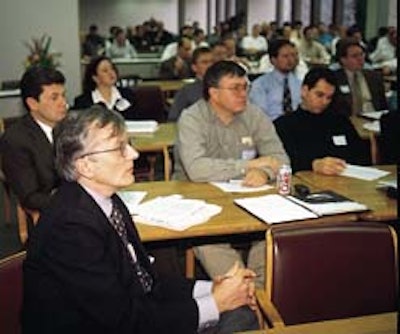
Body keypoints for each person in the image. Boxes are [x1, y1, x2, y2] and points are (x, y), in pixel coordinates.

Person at [22, 105, 260, 333]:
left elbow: (145, 280)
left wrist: (212, 289)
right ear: (85, 166)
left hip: (127, 316)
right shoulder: (70, 227)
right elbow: (123, 322)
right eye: (119, 148)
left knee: (238, 310)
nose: (134, 154)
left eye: (129, 144)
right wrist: (216, 303)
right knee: (238, 316)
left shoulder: (107, 200)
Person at [173, 61, 289, 287]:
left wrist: (264, 173)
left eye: (245, 87)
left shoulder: (254, 115)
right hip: (199, 199)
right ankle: (242, 293)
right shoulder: (191, 118)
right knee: (207, 240)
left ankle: (258, 295)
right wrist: (250, 165)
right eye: (235, 88)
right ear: (214, 93)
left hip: (246, 195)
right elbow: (197, 170)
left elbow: (280, 159)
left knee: (273, 232)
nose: (243, 93)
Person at [274, 67, 371, 175]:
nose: (325, 102)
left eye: (329, 97)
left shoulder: (340, 121)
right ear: (304, 91)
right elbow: (282, 161)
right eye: (319, 95)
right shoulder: (284, 125)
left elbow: (361, 155)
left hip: (347, 180)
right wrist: (312, 165)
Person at [0, 66, 67, 211]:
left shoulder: (68, 127)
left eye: (63, 95)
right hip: (51, 214)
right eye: (54, 97)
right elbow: (31, 197)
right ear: (33, 103)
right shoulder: (15, 139)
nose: (63, 103)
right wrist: (74, 203)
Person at [332, 38, 388, 117]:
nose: (360, 59)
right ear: (343, 60)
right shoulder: (334, 78)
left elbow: (383, 106)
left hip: (374, 119)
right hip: (348, 121)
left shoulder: (374, 76)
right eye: (354, 56)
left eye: (361, 54)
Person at [249, 39, 302, 121]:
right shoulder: (260, 85)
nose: (291, 60)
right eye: (285, 56)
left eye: (293, 55)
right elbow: (260, 116)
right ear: (273, 60)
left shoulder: (299, 84)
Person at [72, 55, 137, 120]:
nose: (111, 73)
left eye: (112, 68)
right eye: (105, 70)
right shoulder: (83, 102)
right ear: (95, 78)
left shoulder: (128, 95)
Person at [168, 47, 214, 121]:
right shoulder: (186, 91)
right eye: (204, 62)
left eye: (212, 62)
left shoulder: (225, 88)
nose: (210, 66)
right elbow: (173, 118)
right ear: (194, 67)